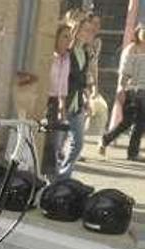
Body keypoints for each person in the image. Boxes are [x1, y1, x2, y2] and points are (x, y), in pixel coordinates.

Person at [101, 23, 145, 161]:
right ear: (138, 32)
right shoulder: (132, 49)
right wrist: (121, 89)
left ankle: (128, 150)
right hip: (133, 90)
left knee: (135, 122)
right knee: (132, 122)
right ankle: (111, 141)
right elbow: (125, 71)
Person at [57, 14, 93, 179]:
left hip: (77, 103)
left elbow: (83, 79)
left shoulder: (85, 53)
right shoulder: (67, 52)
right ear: (77, 31)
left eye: (90, 30)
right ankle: (55, 178)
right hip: (63, 102)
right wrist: (61, 104)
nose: (89, 33)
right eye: (86, 30)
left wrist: (87, 100)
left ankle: (64, 176)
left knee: (77, 144)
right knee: (57, 146)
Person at [44, 23, 72, 179]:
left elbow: (63, 84)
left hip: (55, 102)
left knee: (53, 143)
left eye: (70, 37)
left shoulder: (66, 58)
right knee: (45, 140)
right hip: (44, 99)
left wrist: (62, 106)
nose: (68, 41)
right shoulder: (49, 56)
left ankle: (50, 177)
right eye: (65, 37)